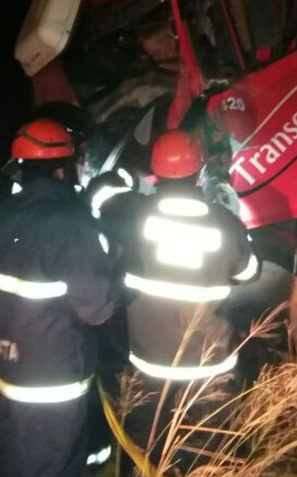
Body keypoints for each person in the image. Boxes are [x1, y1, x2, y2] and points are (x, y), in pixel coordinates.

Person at [98, 130, 261, 474]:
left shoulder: (133, 217)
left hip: (150, 363)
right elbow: (250, 273)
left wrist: (123, 178)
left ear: (155, 172)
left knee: (147, 450)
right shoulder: (224, 223)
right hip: (208, 366)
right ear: (199, 171)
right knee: (209, 453)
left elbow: (99, 199)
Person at [0, 117, 116, 477]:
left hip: (8, 369)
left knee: (12, 461)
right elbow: (97, 309)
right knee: (56, 466)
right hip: (54, 379)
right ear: (63, 170)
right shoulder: (71, 223)